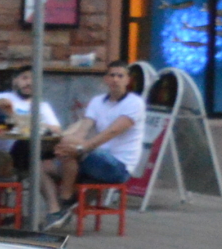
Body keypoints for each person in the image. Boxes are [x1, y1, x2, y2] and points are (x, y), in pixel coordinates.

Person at [44, 61, 148, 229]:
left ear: (127, 80)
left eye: (120, 76)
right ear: (105, 79)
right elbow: (84, 128)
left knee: (76, 150)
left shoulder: (134, 103)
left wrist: (81, 148)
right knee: (45, 164)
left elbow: (111, 132)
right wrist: (67, 142)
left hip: (118, 165)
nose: (115, 79)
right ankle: (62, 203)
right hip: (94, 157)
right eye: (112, 75)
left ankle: (66, 200)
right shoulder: (97, 101)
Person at [0, 67, 61, 180]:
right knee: (30, 147)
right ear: (14, 81)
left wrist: (36, 126)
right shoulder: (2, 98)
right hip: (6, 154)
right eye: (24, 78)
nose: (29, 83)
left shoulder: (42, 105)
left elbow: (57, 130)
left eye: (33, 79)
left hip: (34, 153)